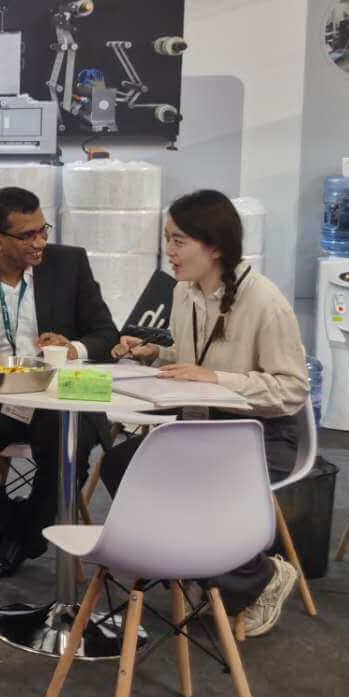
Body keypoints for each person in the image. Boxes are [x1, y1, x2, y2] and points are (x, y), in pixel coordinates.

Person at [104, 189, 309, 638]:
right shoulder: (185, 292)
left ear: (214, 247)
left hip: (260, 436)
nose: (169, 251)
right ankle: (205, 570)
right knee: (120, 465)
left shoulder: (265, 302)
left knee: (186, 484)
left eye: (178, 241)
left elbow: (292, 389)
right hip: (200, 427)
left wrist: (217, 379)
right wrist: (154, 352)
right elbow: (190, 358)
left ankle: (259, 577)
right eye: (167, 239)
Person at [0, 186, 119, 579]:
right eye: (28, 235)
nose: (40, 242)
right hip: (0, 401)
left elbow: (107, 336)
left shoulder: (69, 264)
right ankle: (11, 530)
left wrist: (72, 349)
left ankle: (19, 540)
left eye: (43, 230)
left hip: (64, 399)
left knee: (64, 442)